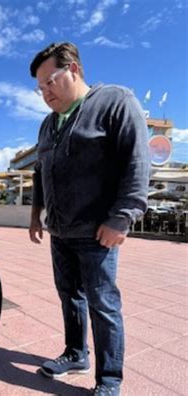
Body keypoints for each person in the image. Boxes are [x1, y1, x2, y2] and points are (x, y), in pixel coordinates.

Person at [28, 42, 150, 396]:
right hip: (60, 230)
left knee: (103, 304)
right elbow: (39, 173)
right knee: (70, 296)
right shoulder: (47, 126)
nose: (44, 93)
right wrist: (36, 215)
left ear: (74, 70)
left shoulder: (115, 102)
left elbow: (137, 162)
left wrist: (122, 218)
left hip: (98, 232)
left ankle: (110, 378)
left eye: (49, 82)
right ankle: (76, 354)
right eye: (40, 88)